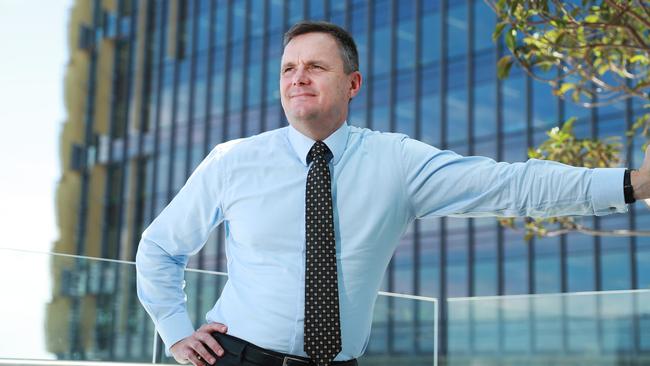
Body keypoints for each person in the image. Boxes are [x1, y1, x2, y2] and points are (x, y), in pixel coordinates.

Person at [136, 20, 650, 366]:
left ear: (352, 83)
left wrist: (632, 183)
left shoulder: (395, 160)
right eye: (289, 69)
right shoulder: (234, 161)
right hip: (238, 356)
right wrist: (176, 329)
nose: (298, 79)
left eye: (315, 67)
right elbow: (160, 246)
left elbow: (509, 184)